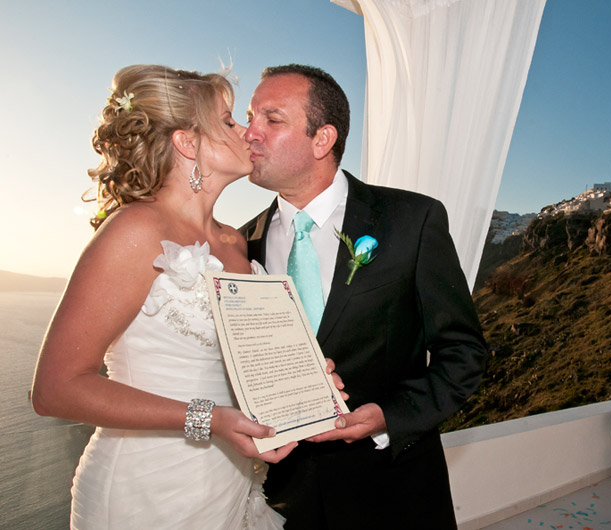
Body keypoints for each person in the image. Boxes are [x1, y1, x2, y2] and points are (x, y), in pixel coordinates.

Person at [30, 64, 332, 529]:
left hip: (230, 483)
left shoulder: (235, 242)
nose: (247, 132)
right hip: (148, 491)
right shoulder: (135, 231)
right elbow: (54, 390)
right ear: (187, 143)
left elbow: (244, 365)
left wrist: (306, 380)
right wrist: (209, 420)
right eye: (230, 120)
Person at [240, 64, 488, 530]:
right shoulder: (241, 244)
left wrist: (387, 418)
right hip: (285, 500)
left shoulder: (412, 220)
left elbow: (464, 353)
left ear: (322, 139)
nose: (248, 132)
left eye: (271, 120)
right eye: (250, 117)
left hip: (395, 493)